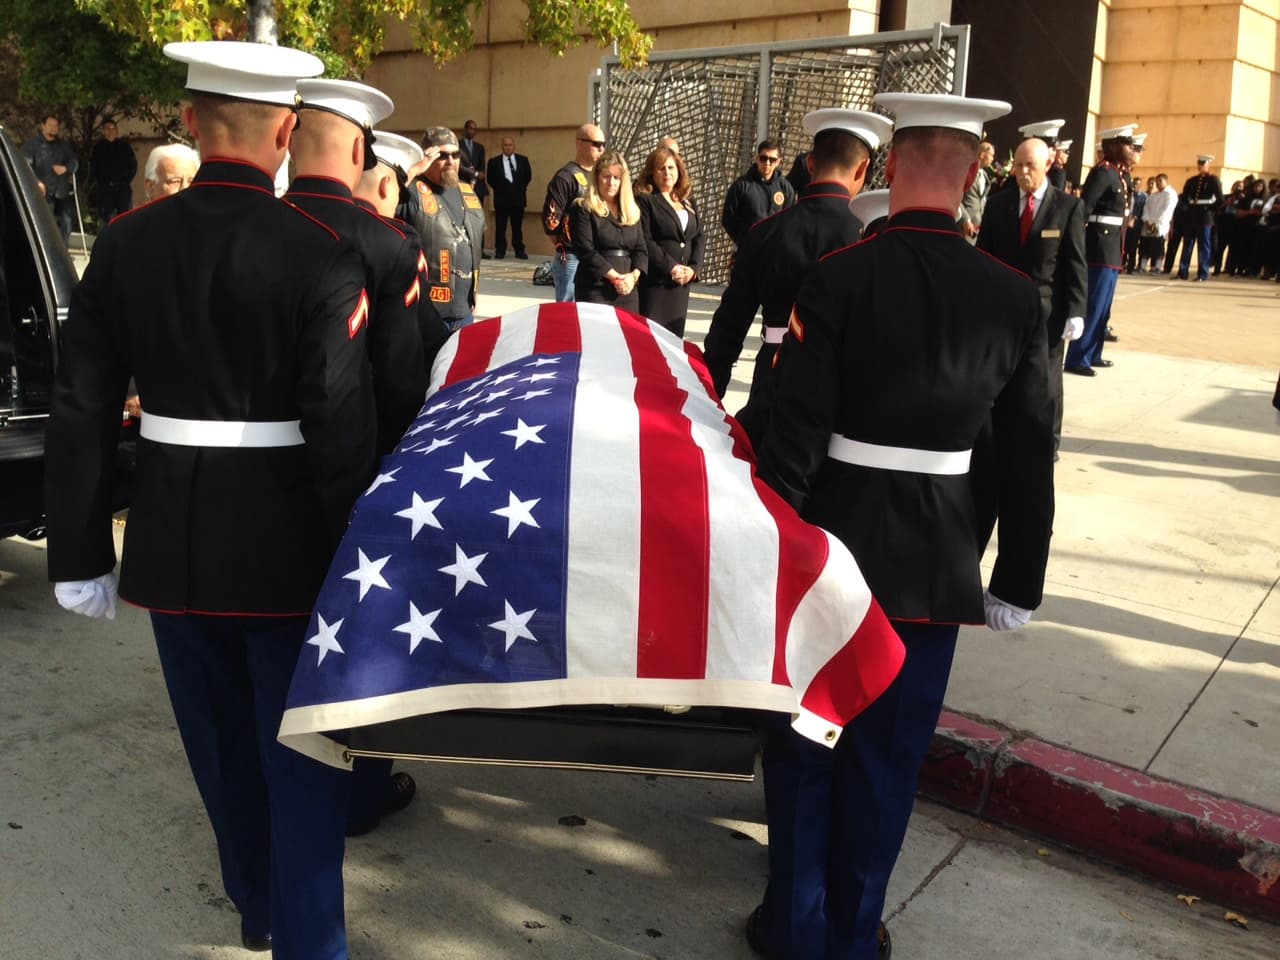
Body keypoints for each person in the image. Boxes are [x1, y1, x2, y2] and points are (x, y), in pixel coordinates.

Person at [44, 40, 374, 958]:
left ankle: (257, 904)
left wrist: (79, 553)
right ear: (286, 133)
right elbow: (338, 424)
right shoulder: (321, 250)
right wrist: (359, 556)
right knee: (302, 757)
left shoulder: (124, 243)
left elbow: (81, 406)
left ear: (191, 122)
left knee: (221, 747)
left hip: (173, 545)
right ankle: (310, 941)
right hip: (288, 550)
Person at [746, 91, 1054, 960]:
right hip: (933, 564)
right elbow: (1029, 449)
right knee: (886, 762)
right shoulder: (1013, 296)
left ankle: (794, 927)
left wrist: (773, 544)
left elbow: (795, 432)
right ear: (974, 171)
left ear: (890, 165)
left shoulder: (840, 277)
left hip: (831, 552)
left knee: (807, 746)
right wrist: (1017, 577)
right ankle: (851, 934)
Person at [703, 107, 891, 446]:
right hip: (844, 393)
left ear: (810, 163)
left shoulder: (764, 233)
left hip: (773, 380)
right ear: (863, 169)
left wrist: (709, 400)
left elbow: (728, 330)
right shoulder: (869, 237)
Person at [977, 136, 1086, 473]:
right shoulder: (999, 205)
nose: (1023, 172)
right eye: (1019, 165)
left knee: (1047, 381)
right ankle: (1002, 434)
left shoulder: (1066, 208)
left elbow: (1075, 264)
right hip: (1006, 310)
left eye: (1030, 166)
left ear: (1048, 165)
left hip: (1046, 312)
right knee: (1004, 374)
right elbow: (984, 258)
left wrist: (1077, 311)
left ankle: (1047, 442)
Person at [1064, 124, 1136, 376]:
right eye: (1126, 144)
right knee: (1093, 305)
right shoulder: (1103, 173)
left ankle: (1093, 353)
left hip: (1113, 247)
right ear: (1113, 146)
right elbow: (1083, 209)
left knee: (1104, 307)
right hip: (1099, 247)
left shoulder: (1118, 173)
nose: (1131, 149)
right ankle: (1077, 358)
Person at [402, 126, 485, 331]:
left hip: (463, 309)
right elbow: (380, 202)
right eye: (442, 155)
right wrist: (413, 171)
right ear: (427, 158)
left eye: (455, 155)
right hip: (426, 310)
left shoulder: (467, 191)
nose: (450, 161)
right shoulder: (411, 192)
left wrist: (473, 294)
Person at [634, 146, 703, 336]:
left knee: (674, 339)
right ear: (652, 172)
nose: (667, 173)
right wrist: (672, 267)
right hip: (657, 283)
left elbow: (698, 236)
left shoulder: (687, 201)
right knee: (652, 337)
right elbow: (646, 239)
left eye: (671, 168)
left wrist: (693, 269)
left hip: (681, 285)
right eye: (661, 168)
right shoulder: (646, 200)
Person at [568, 149, 647, 312]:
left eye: (617, 178)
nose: (611, 182)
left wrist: (633, 277)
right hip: (595, 288)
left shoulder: (632, 211)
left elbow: (641, 250)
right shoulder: (583, 208)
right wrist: (615, 277)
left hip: (628, 290)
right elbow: (585, 250)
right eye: (606, 176)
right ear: (597, 178)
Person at [542, 123, 605, 301]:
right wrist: (566, 246)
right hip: (572, 257)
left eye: (603, 144)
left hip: (595, 255)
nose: (601, 149)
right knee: (568, 309)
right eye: (596, 144)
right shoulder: (566, 177)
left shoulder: (600, 177)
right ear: (580, 143)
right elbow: (551, 221)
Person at [721, 139, 796, 245]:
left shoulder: (785, 188)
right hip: (749, 249)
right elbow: (728, 218)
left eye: (772, 160)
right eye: (763, 158)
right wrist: (744, 241)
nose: (767, 163)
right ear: (757, 158)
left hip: (775, 250)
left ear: (778, 162)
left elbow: (791, 219)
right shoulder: (742, 186)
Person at [21, 115, 78, 243]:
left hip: (61, 191)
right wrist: (36, 182)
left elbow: (74, 161)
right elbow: (24, 165)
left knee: (66, 225)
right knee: (45, 227)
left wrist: (66, 168)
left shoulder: (63, 145)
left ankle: (63, 252)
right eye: (50, 125)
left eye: (56, 126)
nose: (53, 128)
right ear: (43, 126)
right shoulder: (32, 144)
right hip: (43, 193)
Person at [1177, 154, 1223, 281]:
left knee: (1204, 246)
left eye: (1203, 164)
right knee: (1187, 245)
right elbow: (1185, 197)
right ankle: (1183, 272)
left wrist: (1210, 211)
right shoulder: (1192, 180)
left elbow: (1220, 199)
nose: (1200, 166)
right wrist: (1186, 208)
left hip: (1205, 217)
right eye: (1199, 164)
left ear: (1208, 165)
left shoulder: (1213, 180)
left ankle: (1202, 273)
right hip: (1191, 215)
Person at [486, 136, 532, 259]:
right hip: (501, 200)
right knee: (500, 227)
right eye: (505, 145)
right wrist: (502, 189)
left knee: (517, 227)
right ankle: (500, 250)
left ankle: (519, 250)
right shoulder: (494, 162)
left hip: (518, 200)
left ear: (514, 146)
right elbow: (490, 179)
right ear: (502, 147)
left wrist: (518, 188)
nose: (508, 147)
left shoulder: (523, 160)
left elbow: (528, 176)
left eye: (510, 145)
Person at [89, 119, 136, 225]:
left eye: (113, 128)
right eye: (107, 128)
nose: (110, 131)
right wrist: (101, 182)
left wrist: (126, 181)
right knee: (106, 219)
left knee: (125, 218)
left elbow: (133, 166)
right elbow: (94, 168)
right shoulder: (98, 148)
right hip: (105, 189)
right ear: (103, 131)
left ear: (116, 131)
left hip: (122, 188)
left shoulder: (125, 147)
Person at [1140, 173, 1177, 273]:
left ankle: (1157, 267)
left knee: (1158, 248)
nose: (1158, 183)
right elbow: (1146, 208)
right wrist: (1147, 220)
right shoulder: (1153, 195)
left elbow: (1167, 211)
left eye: (1160, 181)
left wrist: (1155, 223)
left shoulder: (1170, 194)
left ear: (1166, 181)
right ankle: (1142, 267)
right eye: (1157, 181)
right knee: (1145, 246)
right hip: (1148, 224)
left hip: (1160, 225)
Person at [959, 139, 994, 242]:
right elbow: (957, 197)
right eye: (991, 155)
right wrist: (965, 219)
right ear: (982, 155)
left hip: (977, 229)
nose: (992, 159)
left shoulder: (985, 176)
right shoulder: (966, 172)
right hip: (963, 227)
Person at [457, 118, 488, 205]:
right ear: (465, 129)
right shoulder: (457, 145)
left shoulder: (480, 147)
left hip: (478, 188)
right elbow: (458, 166)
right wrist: (475, 174)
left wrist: (479, 175)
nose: (472, 131)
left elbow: (482, 167)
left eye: (475, 129)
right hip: (462, 185)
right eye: (470, 128)